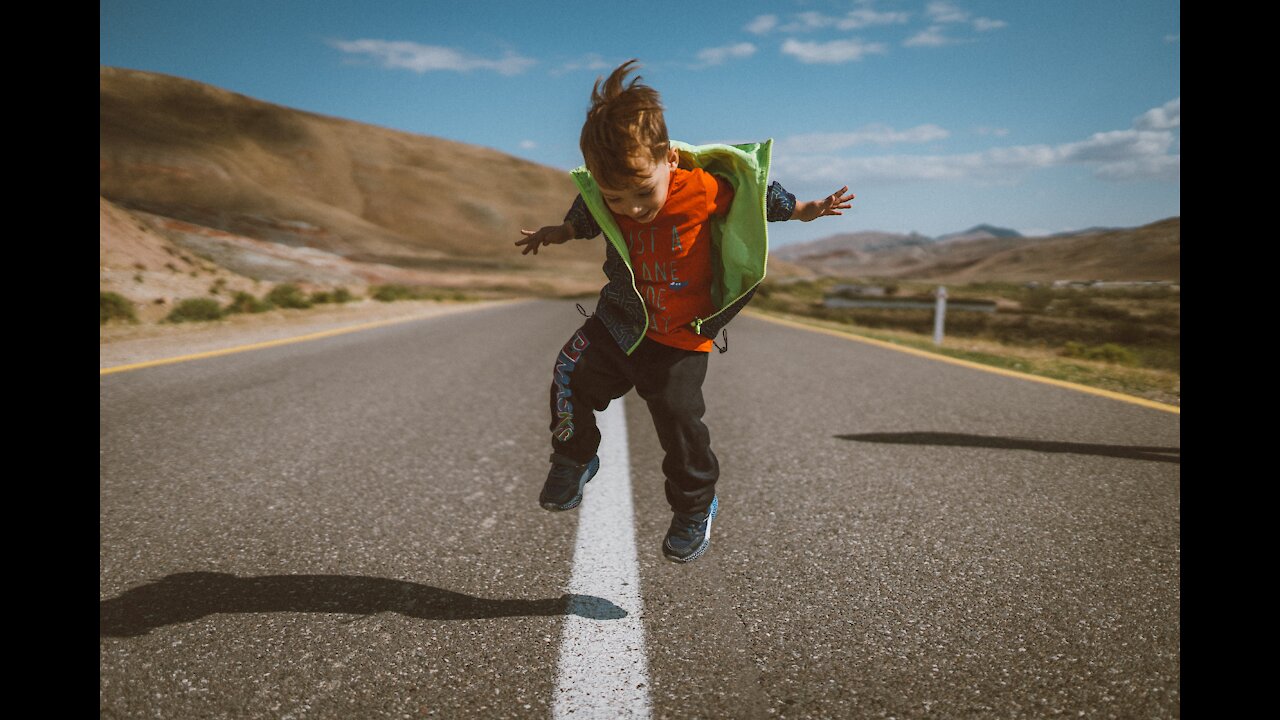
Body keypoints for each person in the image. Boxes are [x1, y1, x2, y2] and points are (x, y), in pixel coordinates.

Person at [515, 59, 853, 563]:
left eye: (641, 193)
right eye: (615, 197)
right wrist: (558, 232)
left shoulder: (702, 187)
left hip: (678, 337)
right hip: (619, 321)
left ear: (670, 159)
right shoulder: (608, 197)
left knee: (678, 425)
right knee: (568, 374)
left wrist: (805, 209)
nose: (630, 208)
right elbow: (587, 213)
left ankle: (695, 507)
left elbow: (755, 196)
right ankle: (573, 456)